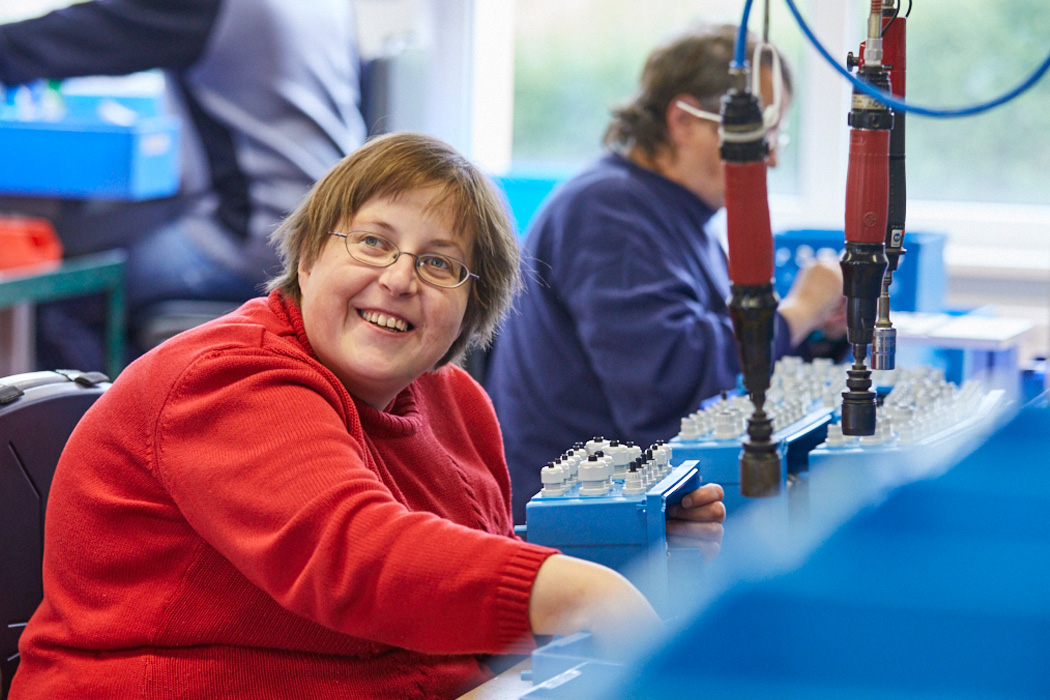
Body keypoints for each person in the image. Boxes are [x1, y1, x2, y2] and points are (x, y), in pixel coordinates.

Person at [8, 133, 725, 699]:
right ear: (311, 254)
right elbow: (353, 551)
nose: (400, 277)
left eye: (440, 264)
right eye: (374, 242)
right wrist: (578, 590)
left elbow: (456, 571)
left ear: (472, 311)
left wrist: (616, 549)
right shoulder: (227, 381)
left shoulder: (452, 402)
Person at [484, 24, 847, 524]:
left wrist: (818, 332)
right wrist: (798, 310)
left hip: (646, 501)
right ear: (683, 121)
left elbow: (721, 354)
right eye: (759, 134)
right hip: (588, 523)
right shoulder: (608, 211)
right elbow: (668, 385)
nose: (774, 157)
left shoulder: (677, 214)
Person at [0, 0, 367, 368]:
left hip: (257, 241)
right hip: (327, 231)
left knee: (65, 286)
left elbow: (62, 40)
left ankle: (101, 421)